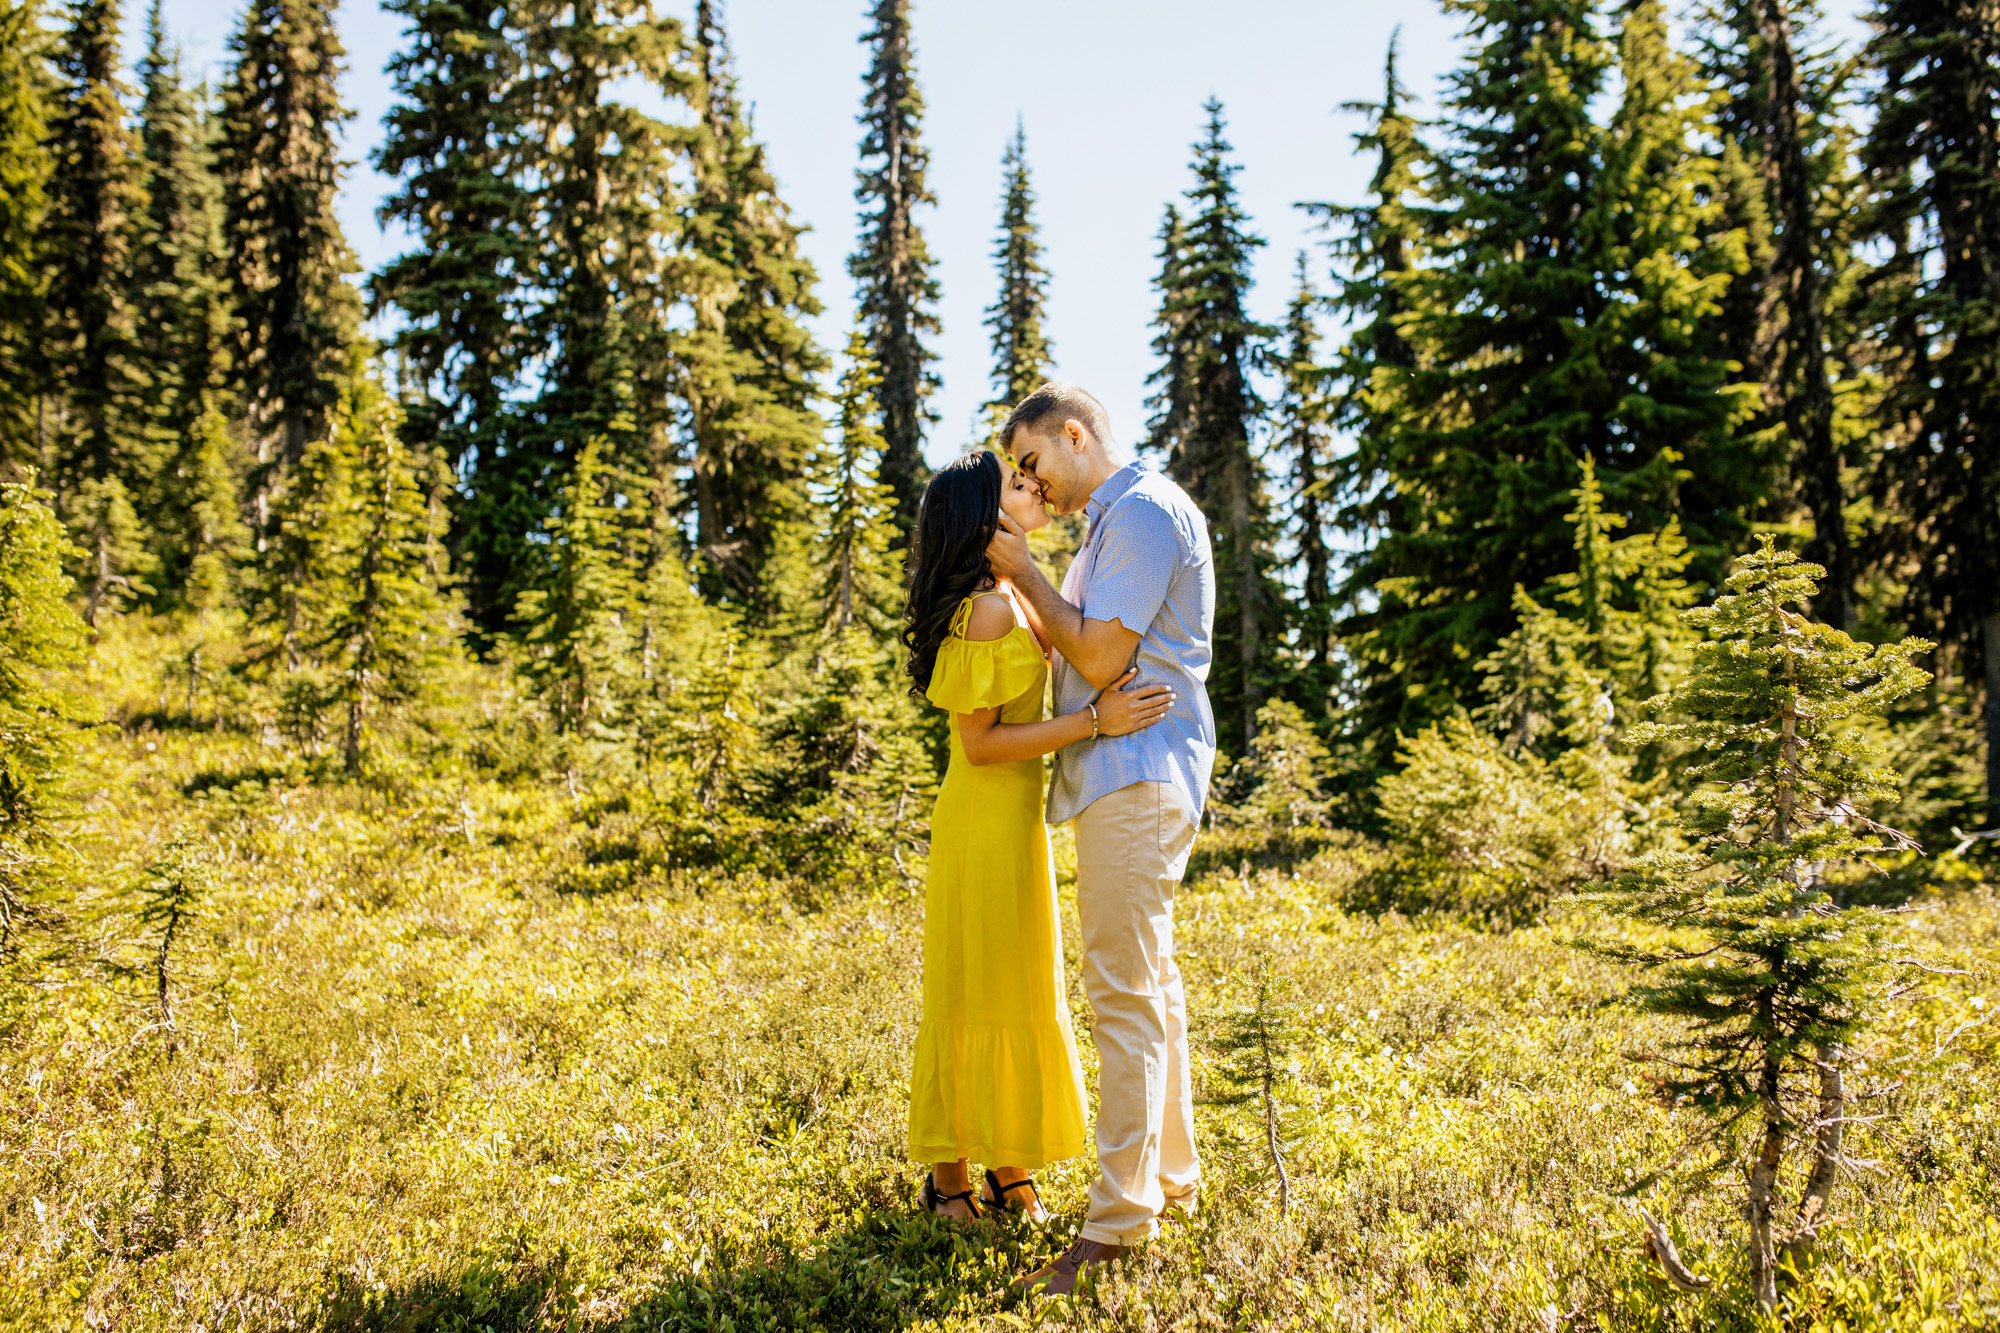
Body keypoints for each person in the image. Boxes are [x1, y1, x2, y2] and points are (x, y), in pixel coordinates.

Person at [901, 449, 1176, 1224]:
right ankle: (951, 1177)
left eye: (1029, 476)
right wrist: (1095, 721)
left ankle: (1003, 1164)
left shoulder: (1009, 599)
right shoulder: (988, 610)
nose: (1034, 487)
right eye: (1015, 484)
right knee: (974, 991)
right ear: (984, 522)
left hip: (1012, 822)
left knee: (1008, 988)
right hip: (983, 819)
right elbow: (981, 744)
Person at [985, 382, 1216, 1296]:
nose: (1032, 484)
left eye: (1034, 462)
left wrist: (1024, 573)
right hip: (1124, 778)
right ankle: (1170, 1185)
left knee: (1121, 994)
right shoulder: (1111, 526)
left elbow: (1099, 657)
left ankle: (1118, 1227)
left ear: (1075, 434)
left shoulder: (1146, 513)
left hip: (1140, 774)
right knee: (1150, 986)